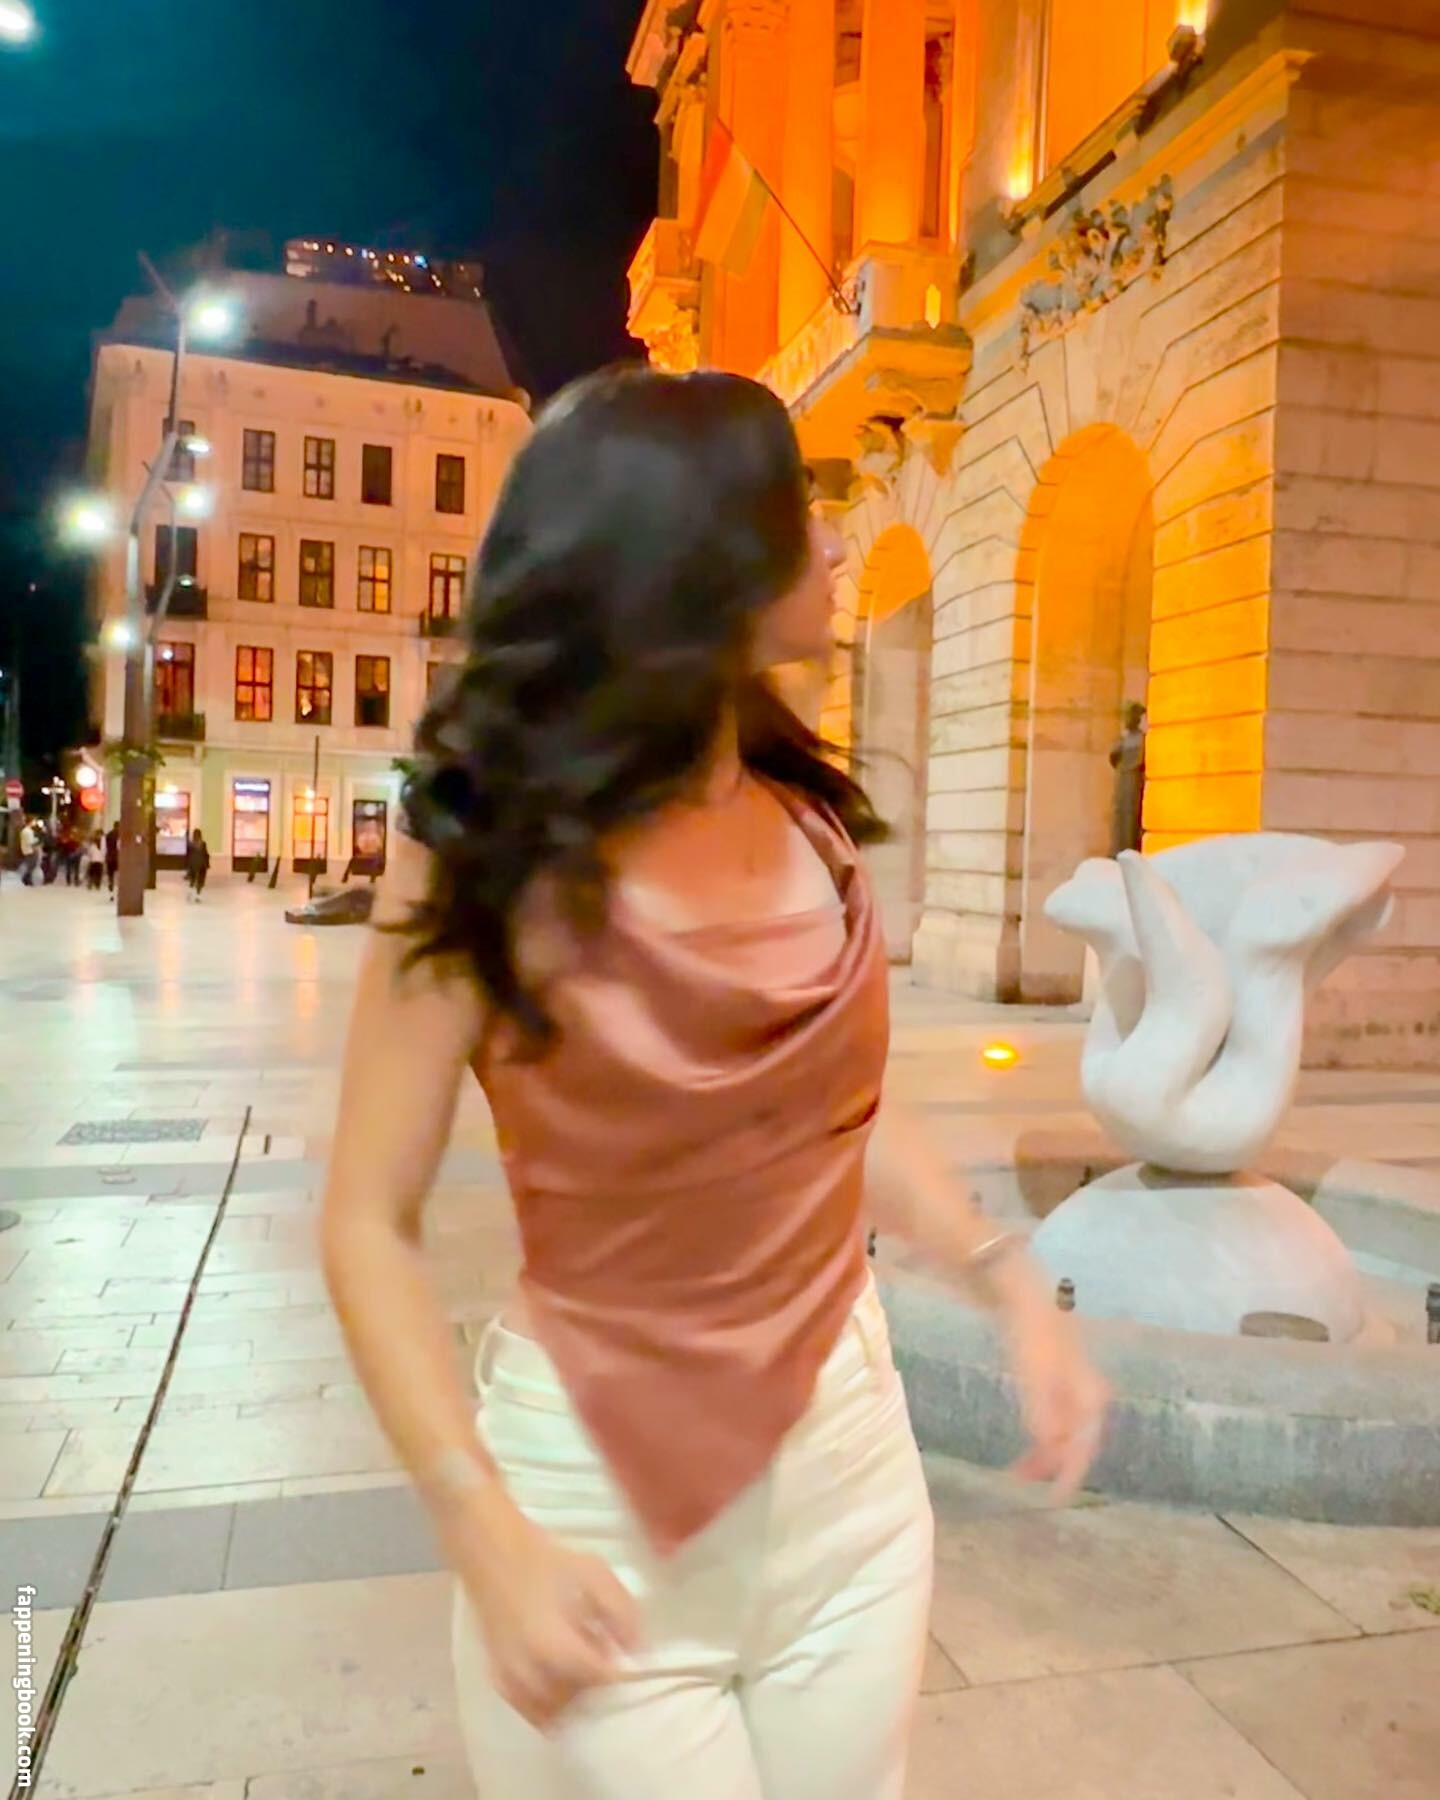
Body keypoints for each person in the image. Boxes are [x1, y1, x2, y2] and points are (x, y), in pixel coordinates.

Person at [320, 369, 1109, 1800]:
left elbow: (840, 1118)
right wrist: (481, 1528)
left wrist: (1006, 1284)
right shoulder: (484, 853)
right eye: (797, 510)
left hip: (855, 1492)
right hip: (594, 1516)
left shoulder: (812, 823)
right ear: (697, 563)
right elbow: (366, 1219)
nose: (833, 541)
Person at [1109, 701, 1147, 858]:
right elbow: (1113, 757)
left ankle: (1130, 850)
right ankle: (1118, 850)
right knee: (1120, 817)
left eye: (1129, 716)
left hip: (1135, 783)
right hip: (1122, 782)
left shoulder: (1142, 739)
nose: (1126, 720)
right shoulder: (1122, 739)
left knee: (1131, 818)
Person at [184, 827, 210, 903]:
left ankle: (189, 894)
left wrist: (187, 865)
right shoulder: (203, 843)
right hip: (201, 864)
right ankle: (198, 896)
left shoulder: (190, 844)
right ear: (200, 835)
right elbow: (206, 854)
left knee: (192, 880)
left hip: (192, 864)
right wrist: (207, 864)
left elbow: (187, 855)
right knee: (200, 881)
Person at [18, 818, 39, 885]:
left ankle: (27, 878)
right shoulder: (28, 831)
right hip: (30, 850)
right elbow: (30, 842)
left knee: (30, 865)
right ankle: (26, 878)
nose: (34, 823)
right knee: (32, 865)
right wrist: (36, 840)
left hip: (26, 850)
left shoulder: (25, 830)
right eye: (33, 821)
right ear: (30, 822)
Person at [104, 822, 119, 897]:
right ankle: (117, 888)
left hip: (110, 857)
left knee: (110, 873)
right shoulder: (121, 834)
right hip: (118, 857)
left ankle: (111, 883)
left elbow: (105, 846)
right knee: (119, 873)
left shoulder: (109, 835)